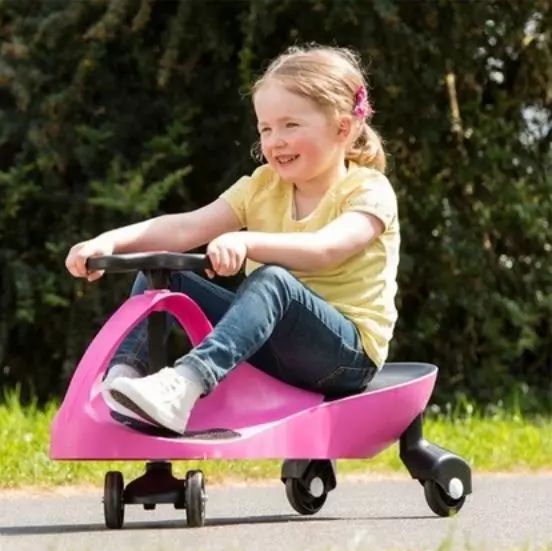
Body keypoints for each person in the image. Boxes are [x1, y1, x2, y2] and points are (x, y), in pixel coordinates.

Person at [65, 45, 400, 435]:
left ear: (342, 128)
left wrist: (247, 243)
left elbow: (326, 249)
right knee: (164, 269)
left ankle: (186, 384)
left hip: (343, 358)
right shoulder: (261, 186)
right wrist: (110, 241)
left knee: (273, 280)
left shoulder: (368, 190)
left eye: (290, 125)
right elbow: (184, 228)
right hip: (266, 346)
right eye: (265, 128)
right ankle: (122, 381)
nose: (275, 141)